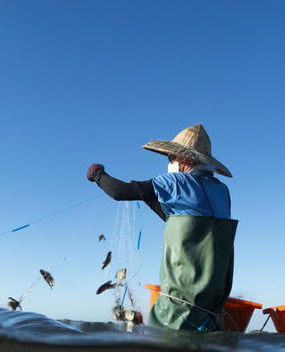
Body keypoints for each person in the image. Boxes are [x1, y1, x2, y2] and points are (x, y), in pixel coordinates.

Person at [87, 124, 237, 331]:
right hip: (211, 312)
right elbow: (187, 225)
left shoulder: (176, 182)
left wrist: (97, 174)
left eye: (171, 159)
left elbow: (119, 192)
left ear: (185, 161)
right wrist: (150, 197)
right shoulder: (223, 191)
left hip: (178, 309)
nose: (169, 163)